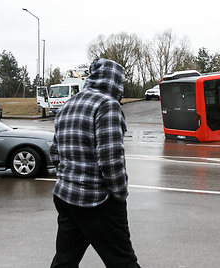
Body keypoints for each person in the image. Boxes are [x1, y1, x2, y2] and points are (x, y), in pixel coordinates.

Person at [50, 58, 140, 268]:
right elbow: (111, 160)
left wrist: (69, 177)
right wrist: (119, 195)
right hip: (97, 201)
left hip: (65, 196)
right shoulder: (107, 105)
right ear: (115, 80)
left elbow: (55, 152)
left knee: (65, 260)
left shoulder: (68, 105)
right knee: (123, 261)